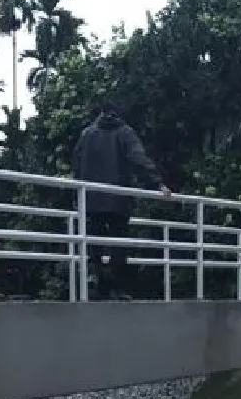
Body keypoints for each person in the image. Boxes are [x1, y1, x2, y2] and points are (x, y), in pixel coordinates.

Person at [72, 101, 171, 299]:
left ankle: (100, 285)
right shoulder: (125, 132)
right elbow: (138, 158)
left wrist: (78, 193)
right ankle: (116, 287)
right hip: (118, 198)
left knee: (94, 244)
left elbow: (76, 162)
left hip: (91, 198)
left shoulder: (87, 134)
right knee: (119, 243)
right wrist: (158, 183)